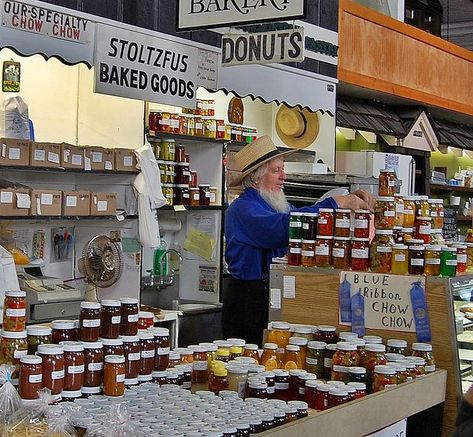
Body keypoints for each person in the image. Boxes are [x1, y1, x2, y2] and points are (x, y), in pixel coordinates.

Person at [223, 136, 375, 346]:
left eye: (282, 170)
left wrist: (349, 199)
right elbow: (284, 227)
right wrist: (335, 203)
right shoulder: (242, 209)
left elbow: (305, 219)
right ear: (256, 178)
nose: (283, 176)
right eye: (276, 170)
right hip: (249, 300)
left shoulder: (274, 205)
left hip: (269, 295)